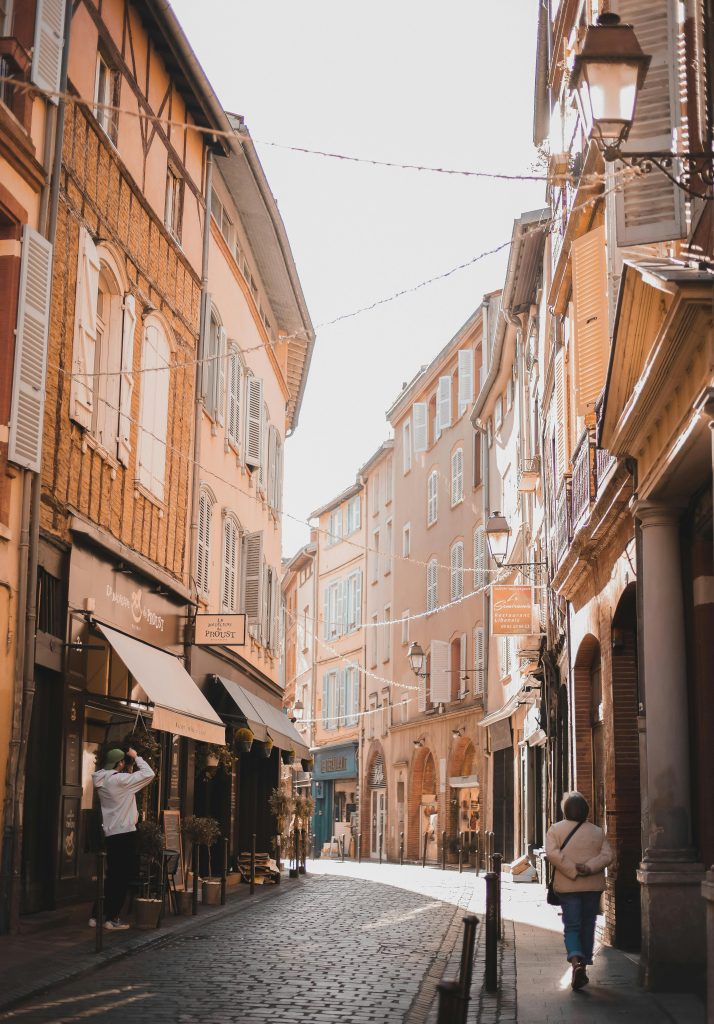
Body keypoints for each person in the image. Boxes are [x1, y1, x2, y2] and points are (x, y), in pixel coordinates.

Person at [545, 791, 612, 990]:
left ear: (565, 811)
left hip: (568, 886)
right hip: (592, 887)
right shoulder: (597, 831)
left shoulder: (555, 829)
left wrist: (572, 870)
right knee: (588, 924)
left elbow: (552, 854)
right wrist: (589, 867)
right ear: (585, 811)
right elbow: (608, 855)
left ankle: (576, 962)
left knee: (572, 925)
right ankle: (585, 960)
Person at [89, 746, 155, 930]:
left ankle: (96, 916)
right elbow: (149, 774)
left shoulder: (102, 778)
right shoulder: (120, 781)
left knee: (111, 876)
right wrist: (137, 756)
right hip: (125, 834)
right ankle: (112, 918)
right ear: (119, 763)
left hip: (111, 834)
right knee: (121, 877)